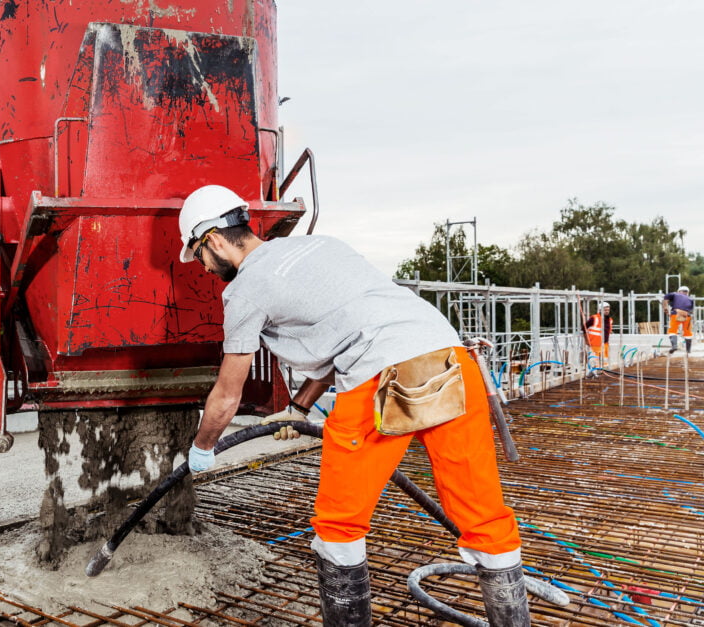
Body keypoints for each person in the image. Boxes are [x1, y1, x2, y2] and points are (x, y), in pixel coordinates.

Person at [177, 185, 528, 626]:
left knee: (340, 525)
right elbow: (349, 325)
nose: (206, 268)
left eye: (200, 255)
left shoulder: (245, 291)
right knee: (483, 514)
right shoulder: (320, 247)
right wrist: (299, 408)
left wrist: (204, 447)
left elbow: (228, 394)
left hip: (381, 379)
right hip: (451, 361)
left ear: (212, 239)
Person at [664, 285, 694, 355]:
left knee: (672, 331)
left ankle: (674, 346)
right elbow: (691, 310)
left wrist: (665, 309)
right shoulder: (690, 299)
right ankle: (688, 350)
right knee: (688, 333)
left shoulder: (674, 294)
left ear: (679, 291)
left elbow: (665, 298)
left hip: (676, 314)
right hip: (687, 316)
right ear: (687, 292)